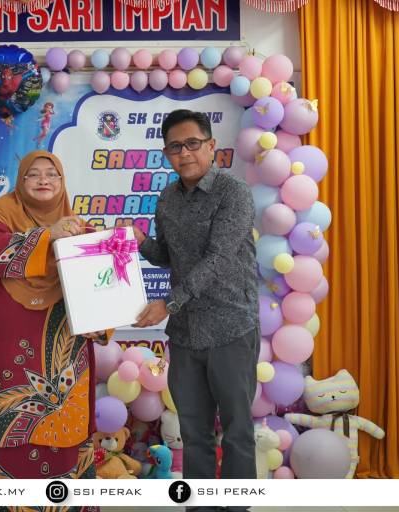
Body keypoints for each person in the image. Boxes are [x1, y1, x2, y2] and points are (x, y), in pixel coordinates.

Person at [0, 150, 105, 510]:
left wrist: (101, 320)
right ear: (20, 182)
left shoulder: (78, 229)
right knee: (3, 435)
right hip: (5, 363)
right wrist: (45, 237)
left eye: (52, 174)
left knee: (63, 438)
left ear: (63, 182)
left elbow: (102, 283)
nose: (43, 180)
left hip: (62, 364)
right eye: (33, 174)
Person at [132, 110, 259, 512]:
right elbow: (168, 255)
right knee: (194, 431)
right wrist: (139, 242)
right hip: (186, 332)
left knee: (237, 430)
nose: (184, 153)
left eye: (192, 143)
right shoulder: (167, 198)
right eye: (175, 146)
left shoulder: (233, 192)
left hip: (231, 325)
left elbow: (218, 258)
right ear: (166, 153)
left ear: (211, 146)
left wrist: (169, 303)